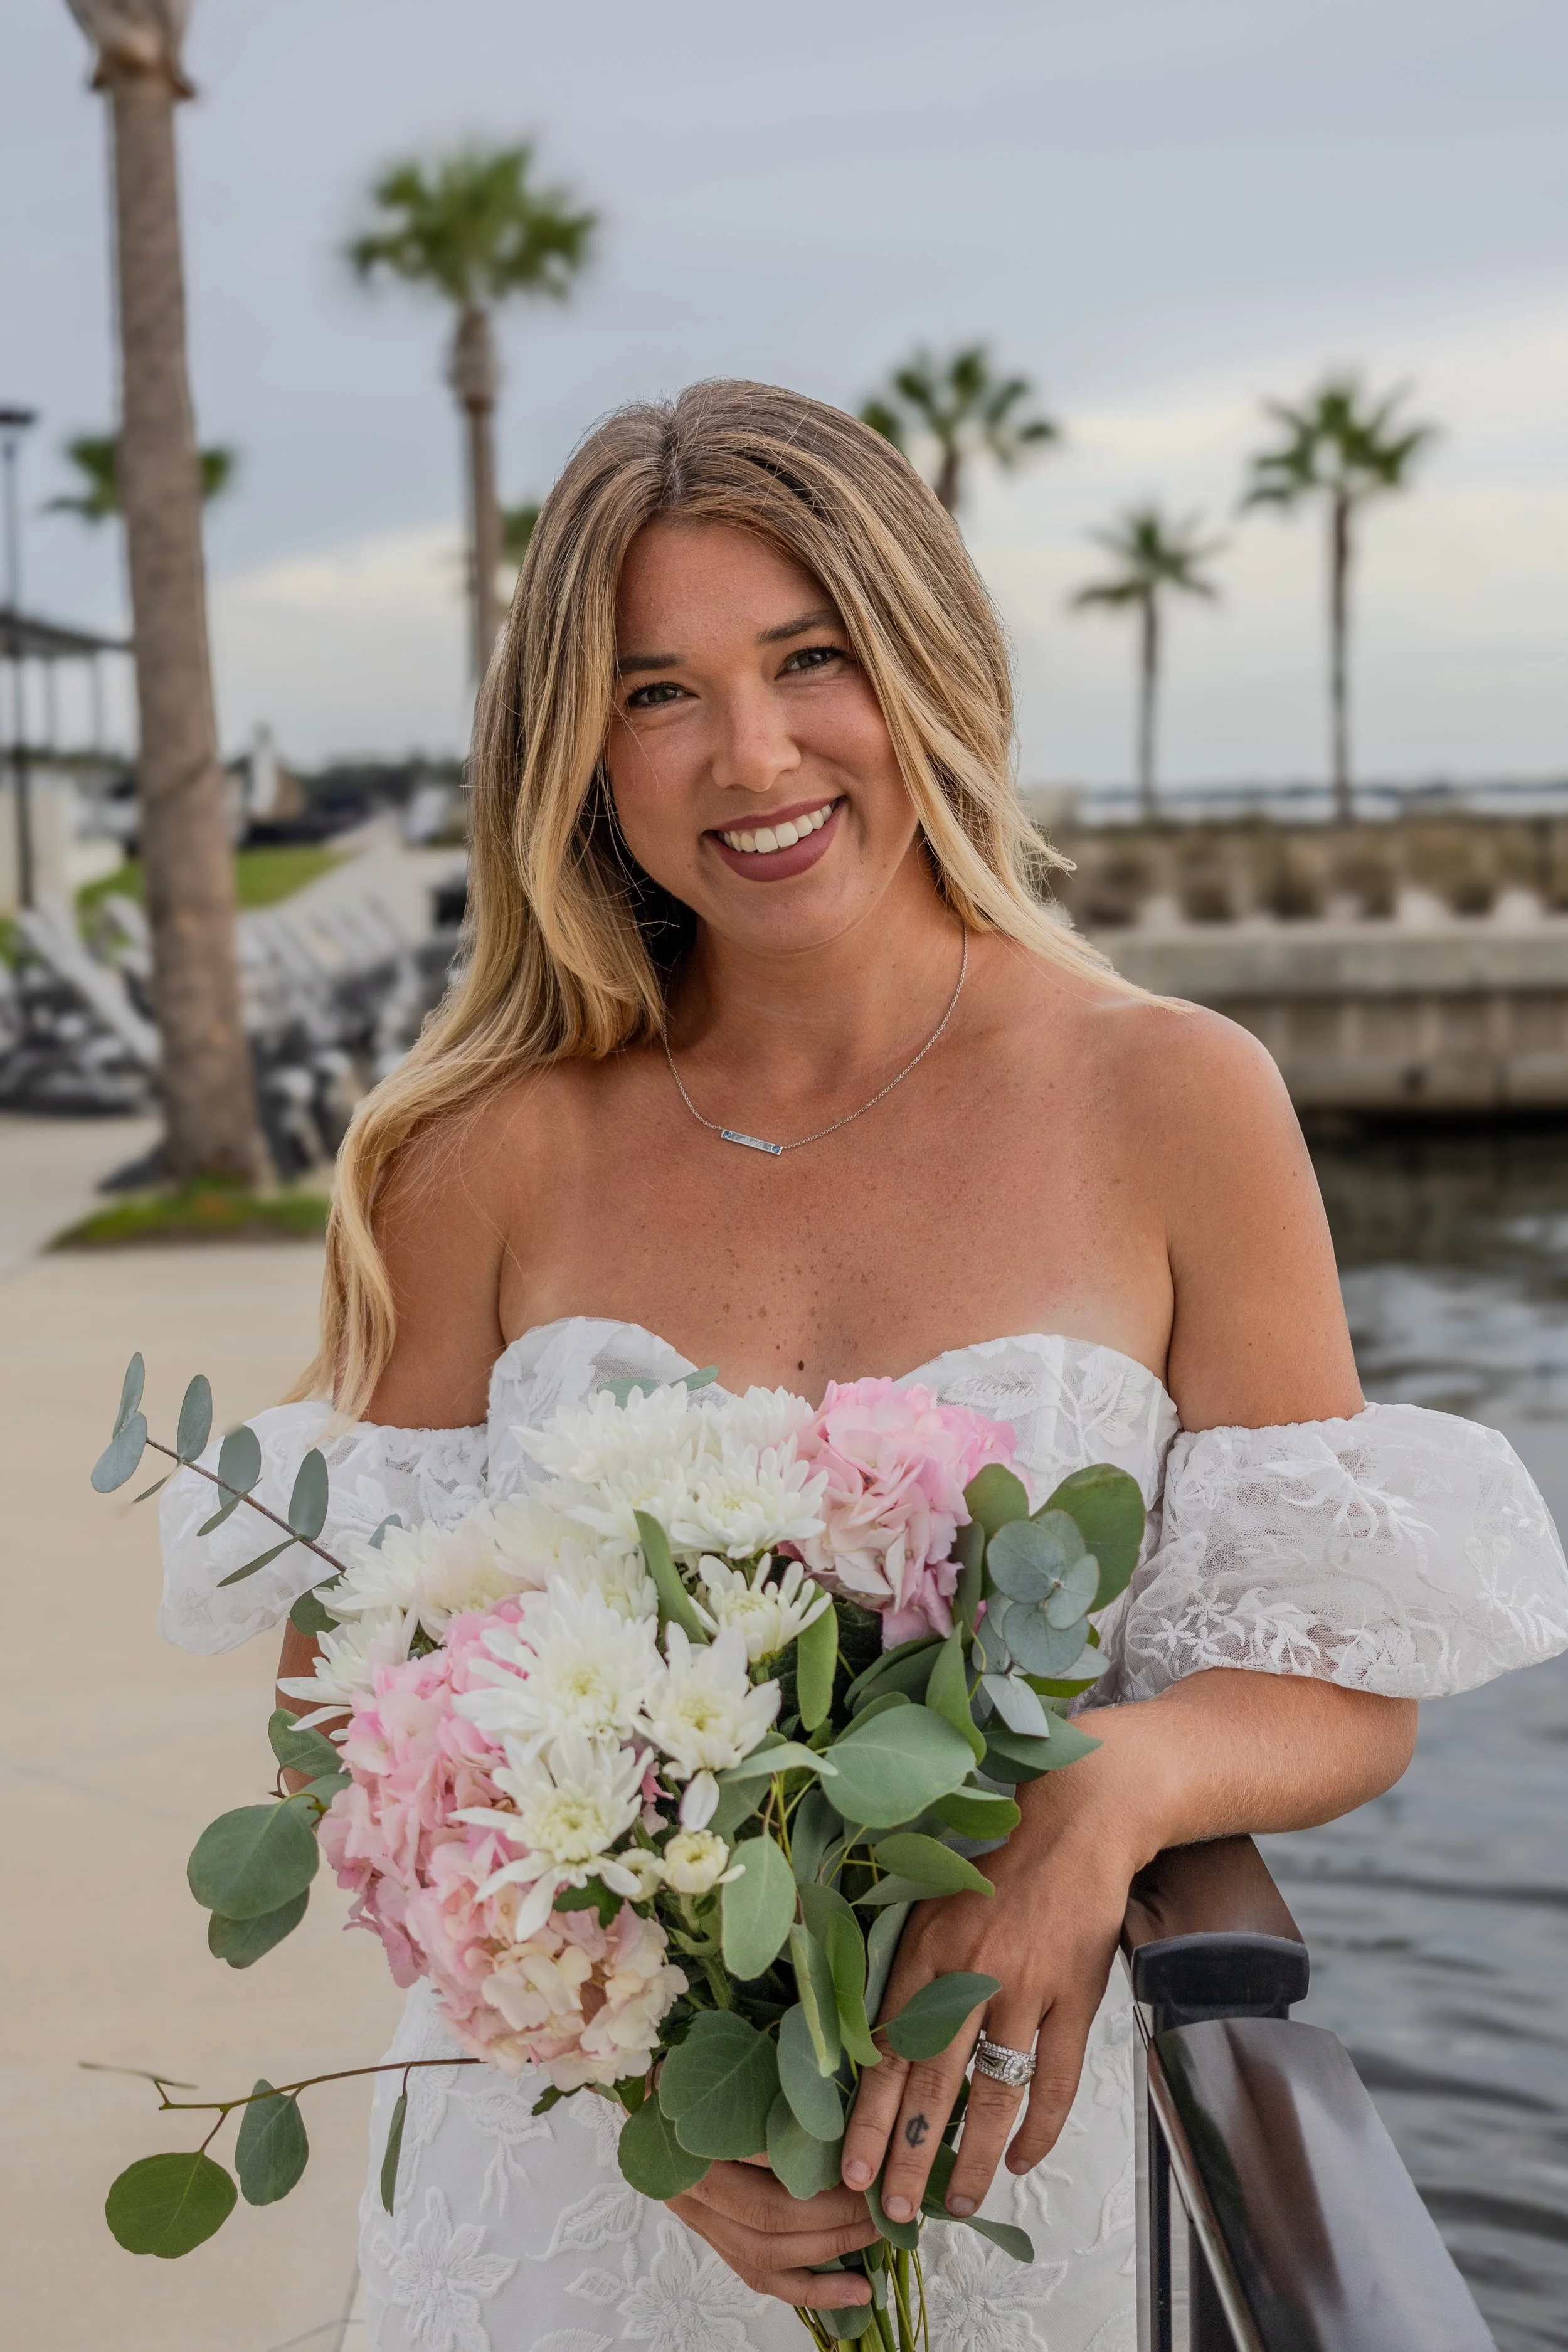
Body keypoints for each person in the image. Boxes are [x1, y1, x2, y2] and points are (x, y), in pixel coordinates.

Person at [162, 381, 1568, 2352]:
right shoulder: (471, 1150)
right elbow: (345, 1725)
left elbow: (1335, 1682)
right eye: (655, 690)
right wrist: (649, 2090)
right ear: (577, 750)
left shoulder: (1175, 1098)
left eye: (807, 657)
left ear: (923, 657)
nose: (750, 753)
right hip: (566, 2199)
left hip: (1006, 2174)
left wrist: (1115, 1780)